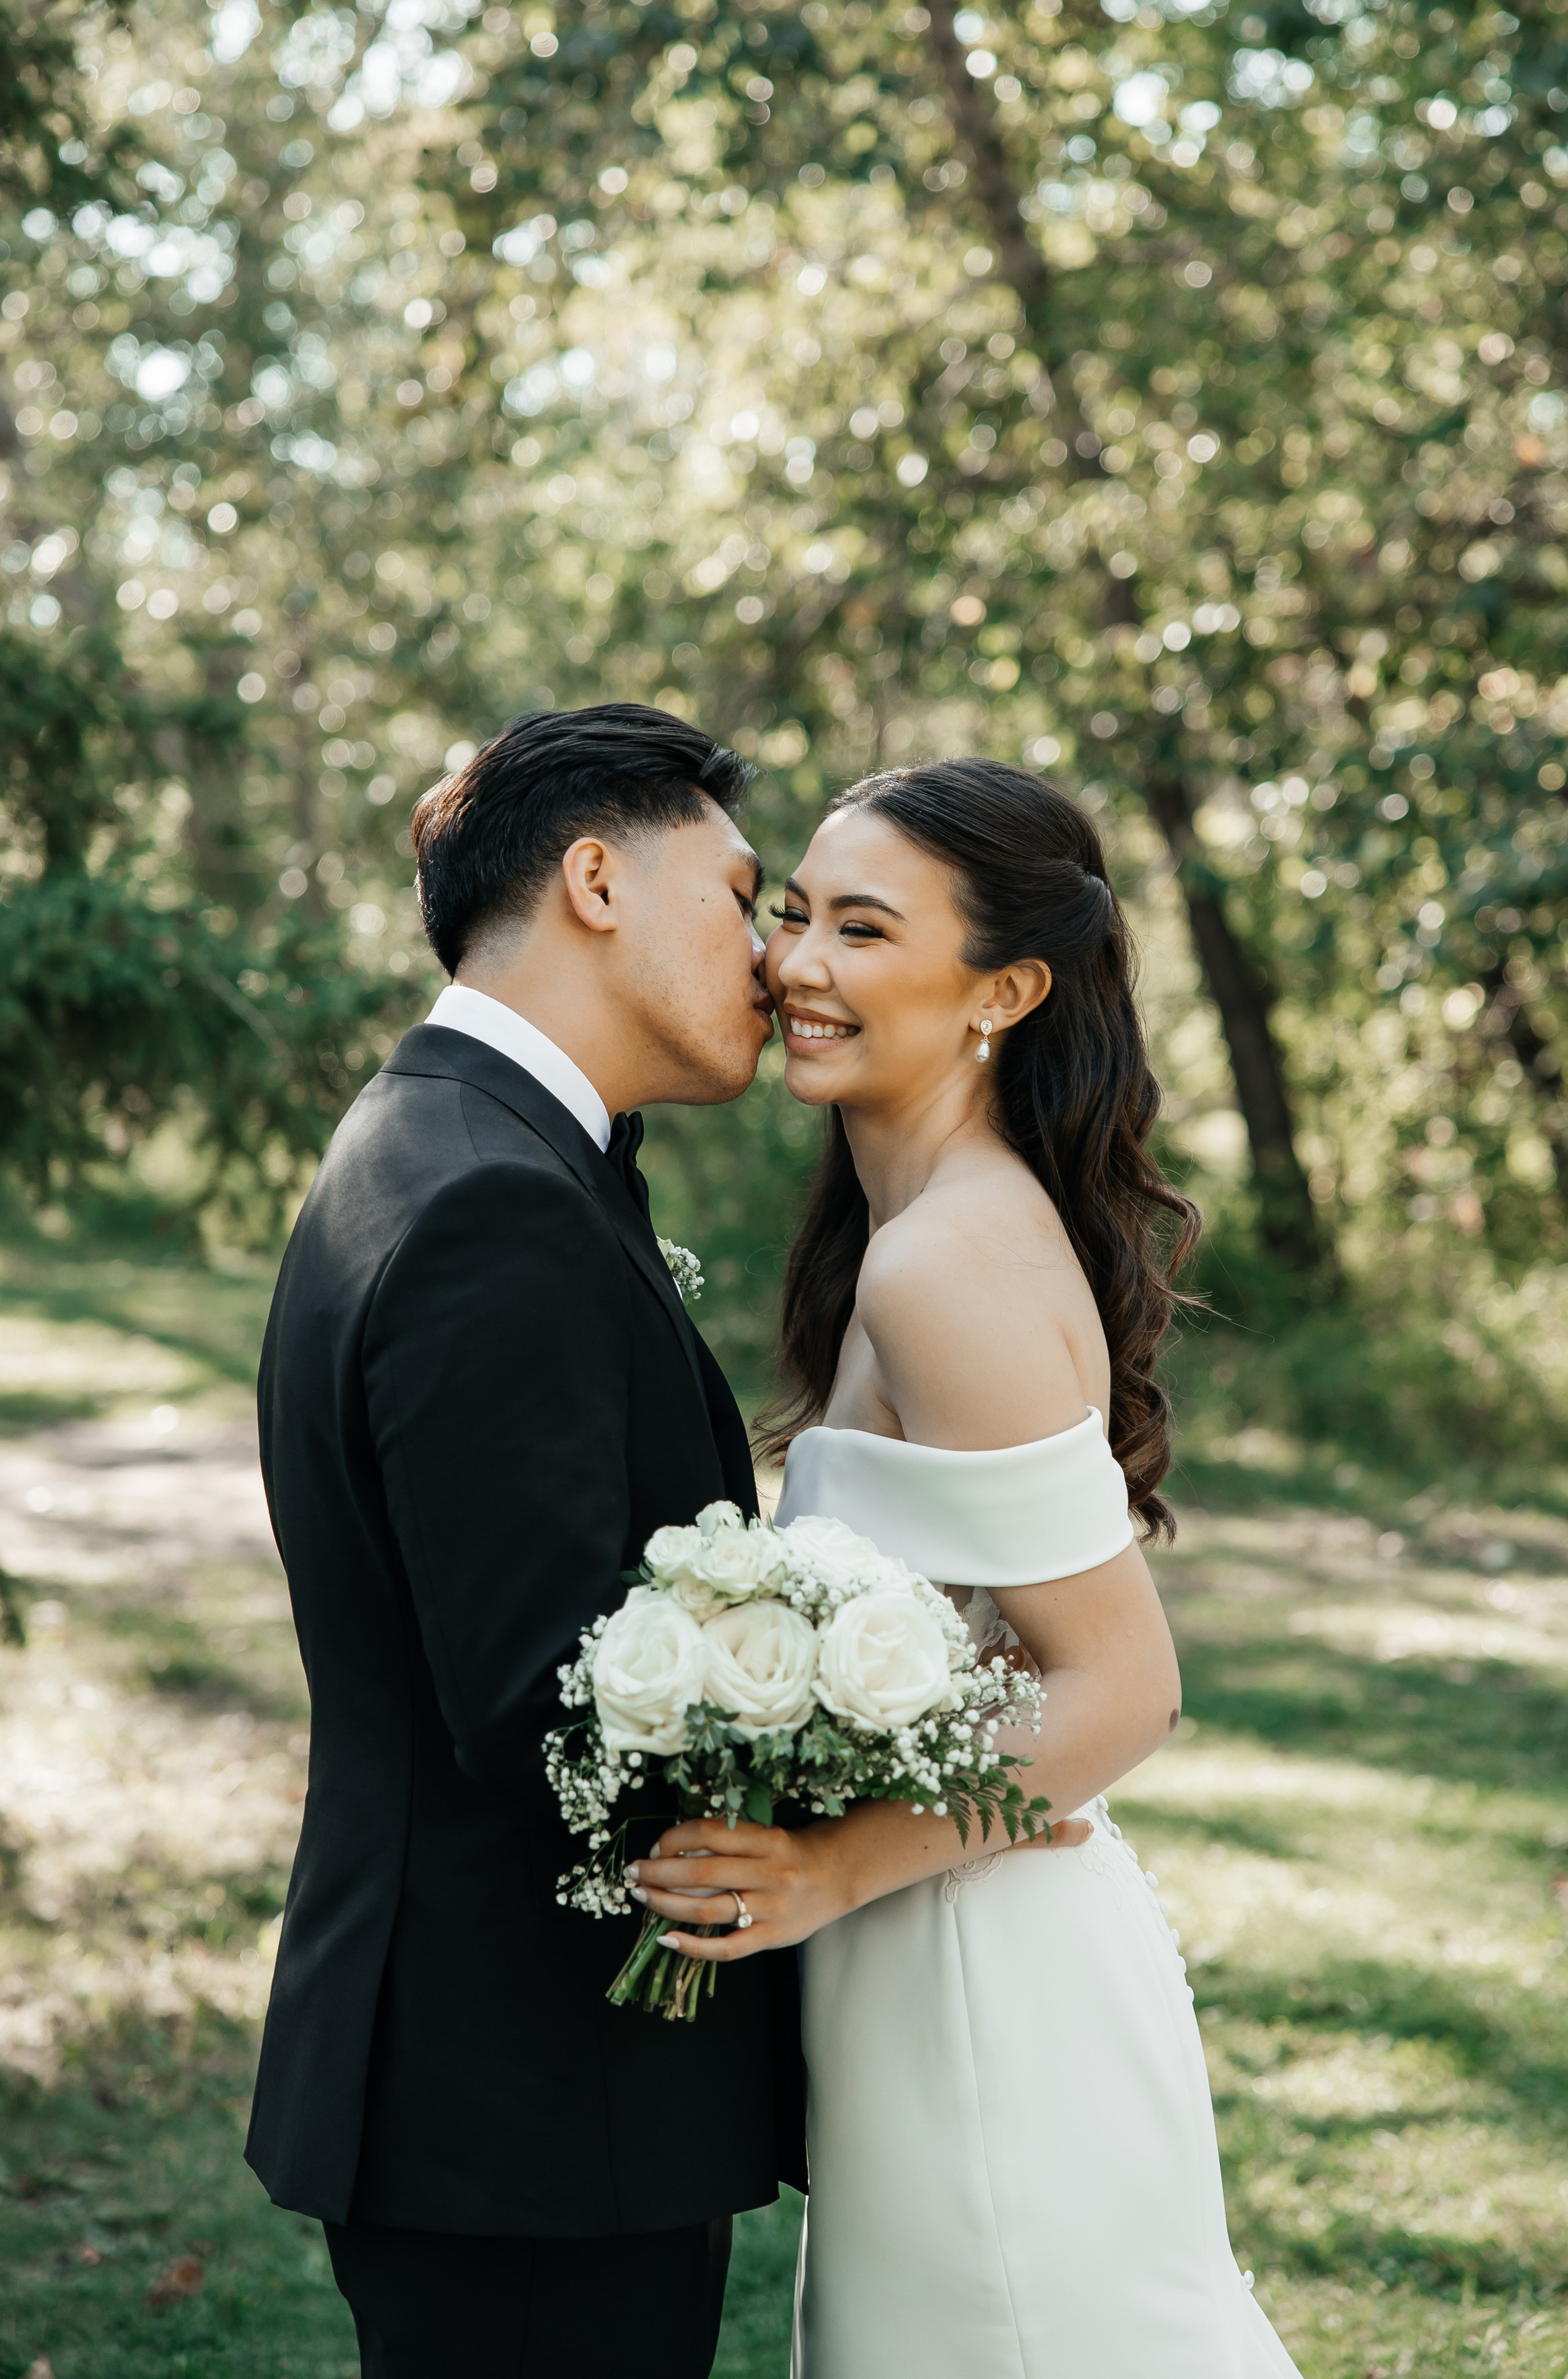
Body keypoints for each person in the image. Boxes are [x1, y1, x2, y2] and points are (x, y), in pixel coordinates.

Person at [626, 760, 1306, 2376]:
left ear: (1001, 988)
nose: (796, 963)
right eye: (792, 915)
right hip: (934, 1956)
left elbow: (1125, 1682)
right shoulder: (912, 1233)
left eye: (864, 930)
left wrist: (833, 1868)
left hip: (980, 1983)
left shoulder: (949, 1264)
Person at [247, 704, 804, 2379]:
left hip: (492, 2094)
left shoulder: (451, 1144)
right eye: (740, 893)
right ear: (594, 881)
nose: (773, 956)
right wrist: (879, 1745)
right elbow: (554, 1698)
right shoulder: (495, 1199)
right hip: (530, 2110)